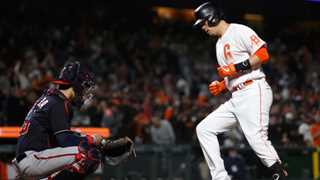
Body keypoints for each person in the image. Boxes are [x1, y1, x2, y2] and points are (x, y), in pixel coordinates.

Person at [193, 2, 288, 180]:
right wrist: (223, 85)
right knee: (204, 129)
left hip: (254, 89)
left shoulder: (239, 30)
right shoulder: (219, 44)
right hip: (237, 95)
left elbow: (263, 54)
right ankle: (220, 177)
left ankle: (279, 173)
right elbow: (233, 75)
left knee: (256, 138)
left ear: (212, 18)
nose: (203, 27)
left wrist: (235, 68)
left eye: (203, 23)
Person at [12, 61, 136, 180]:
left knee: (87, 150)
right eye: (85, 86)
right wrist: (92, 140)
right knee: (88, 154)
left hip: (32, 159)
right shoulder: (58, 103)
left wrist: (101, 143)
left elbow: (63, 139)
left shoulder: (50, 99)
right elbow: (65, 140)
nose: (85, 91)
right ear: (76, 83)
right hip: (33, 160)